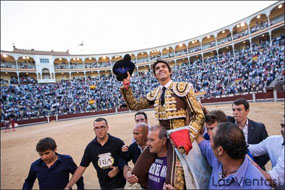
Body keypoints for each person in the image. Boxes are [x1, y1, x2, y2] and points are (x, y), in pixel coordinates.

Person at [120, 59, 205, 188]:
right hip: (161, 137)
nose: (160, 69)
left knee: (174, 181)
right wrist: (127, 86)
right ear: (155, 75)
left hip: (180, 138)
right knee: (136, 174)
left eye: (163, 66)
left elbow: (198, 115)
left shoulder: (183, 88)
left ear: (170, 71)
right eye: (157, 68)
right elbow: (134, 105)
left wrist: (188, 136)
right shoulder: (155, 93)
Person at [197, 122, 271, 189]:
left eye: (210, 141)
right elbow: (201, 141)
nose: (209, 144)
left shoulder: (257, 185)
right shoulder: (217, 158)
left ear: (220, 150)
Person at [65, 118, 126, 190]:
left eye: (102, 127)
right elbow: (82, 167)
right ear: (94, 130)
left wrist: (118, 169)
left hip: (119, 185)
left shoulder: (118, 143)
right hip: (104, 186)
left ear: (107, 128)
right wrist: (68, 186)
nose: (99, 130)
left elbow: (125, 161)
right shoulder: (90, 147)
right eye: (96, 128)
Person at [227, 98, 269, 169]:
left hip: (255, 168)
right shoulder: (228, 124)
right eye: (234, 110)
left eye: (239, 110)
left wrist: (254, 166)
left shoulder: (259, 127)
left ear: (247, 111)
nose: (235, 112)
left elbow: (267, 151)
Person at [126, 125, 168, 190]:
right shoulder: (150, 159)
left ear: (163, 141)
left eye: (152, 140)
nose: (148, 143)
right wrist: (131, 175)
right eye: (148, 139)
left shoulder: (174, 162)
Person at [248, 118, 285, 189]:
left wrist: (253, 164)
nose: (283, 130)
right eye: (283, 126)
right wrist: (236, 141)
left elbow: (273, 181)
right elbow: (252, 150)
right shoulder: (272, 141)